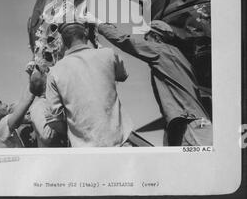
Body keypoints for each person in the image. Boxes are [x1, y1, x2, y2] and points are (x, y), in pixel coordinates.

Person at [86, 13, 212, 146]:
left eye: (147, 39)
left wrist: (98, 23)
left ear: (157, 38)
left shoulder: (161, 51)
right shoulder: (180, 58)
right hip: (200, 125)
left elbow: (125, 41)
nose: (146, 43)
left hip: (189, 125)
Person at [45, 22, 134, 147]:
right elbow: (122, 75)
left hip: (85, 152)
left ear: (63, 41)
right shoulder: (108, 54)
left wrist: (76, 130)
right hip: (120, 144)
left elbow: (54, 121)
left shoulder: (54, 72)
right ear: (85, 33)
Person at [27, 65, 68, 148]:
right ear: (45, 84)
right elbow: (47, 136)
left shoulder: (52, 100)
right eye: (45, 74)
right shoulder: (37, 107)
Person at [0, 83, 35, 148]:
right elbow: (26, 100)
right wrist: (33, 80)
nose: (5, 104)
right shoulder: (1, 127)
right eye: (0, 104)